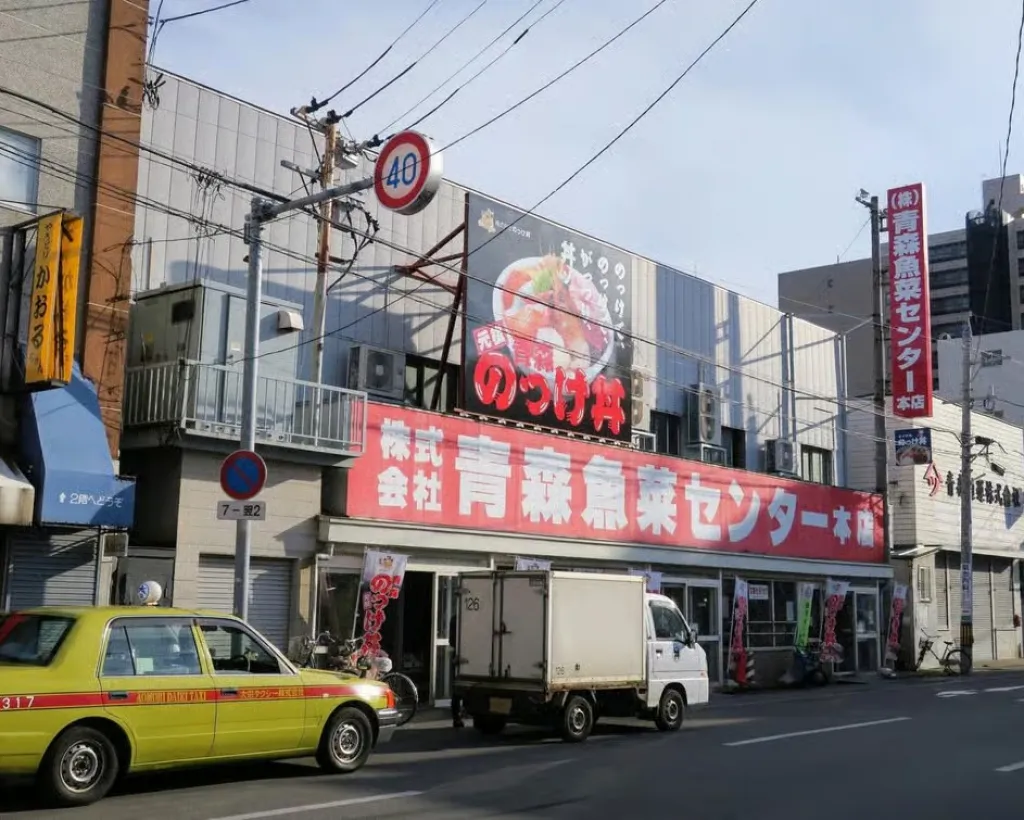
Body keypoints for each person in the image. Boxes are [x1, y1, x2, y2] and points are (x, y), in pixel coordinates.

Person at [449, 610, 463, 728]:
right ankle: (458, 716)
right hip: (464, 655)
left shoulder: (455, 618)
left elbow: (451, 641)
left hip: (458, 655)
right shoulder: (470, 619)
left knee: (456, 689)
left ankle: (456, 717)